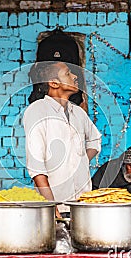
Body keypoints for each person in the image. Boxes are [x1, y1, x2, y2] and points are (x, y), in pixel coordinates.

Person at [23, 61, 102, 218]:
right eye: (67, 73)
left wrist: (81, 160)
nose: (74, 76)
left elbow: (95, 140)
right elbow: (37, 167)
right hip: (56, 205)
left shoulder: (78, 112)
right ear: (53, 83)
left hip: (82, 203)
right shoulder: (37, 111)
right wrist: (51, 206)